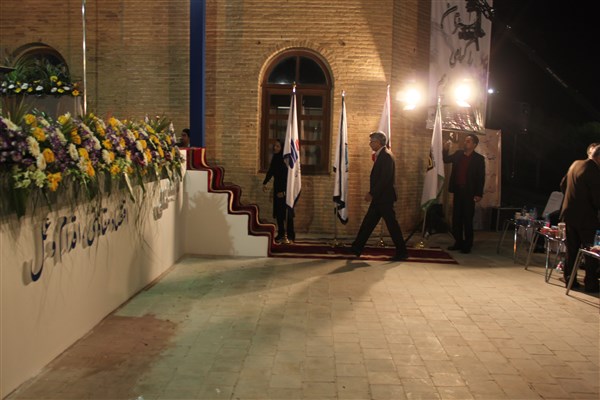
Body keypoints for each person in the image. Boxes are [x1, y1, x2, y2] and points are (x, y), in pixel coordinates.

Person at [350, 131, 408, 261]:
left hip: (385, 198)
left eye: (372, 141)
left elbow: (384, 179)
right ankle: (356, 247)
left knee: (392, 226)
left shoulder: (386, 156)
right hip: (380, 198)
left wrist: (372, 193)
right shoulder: (382, 155)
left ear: (378, 142)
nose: (370, 144)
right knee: (368, 223)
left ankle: (402, 252)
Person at [559, 143, 600, 292]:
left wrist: (573, 197)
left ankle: (570, 280)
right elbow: (597, 197)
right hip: (586, 217)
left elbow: (563, 184)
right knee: (590, 251)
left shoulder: (576, 164)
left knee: (572, 249)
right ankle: (591, 283)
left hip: (569, 214)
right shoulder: (593, 170)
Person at [443, 133, 485, 254]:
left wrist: (478, 193)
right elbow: (446, 160)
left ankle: (467, 244)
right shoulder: (458, 154)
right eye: (465, 140)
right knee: (456, 218)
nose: (465, 142)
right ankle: (458, 242)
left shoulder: (479, 159)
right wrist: (445, 150)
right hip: (458, 190)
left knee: (467, 218)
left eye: (468, 141)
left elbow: (480, 177)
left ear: (474, 144)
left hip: (469, 192)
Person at [263, 139, 295, 243]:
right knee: (278, 213)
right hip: (277, 188)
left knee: (287, 213)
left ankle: (290, 235)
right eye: (275, 146)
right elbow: (271, 171)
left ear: (282, 148)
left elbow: (288, 178)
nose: (275, 148)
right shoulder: (275, 158)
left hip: (285, 190)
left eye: (277, 146)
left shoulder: (286, 160)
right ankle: (281, 233)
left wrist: (284, 192)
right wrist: (265, 182)